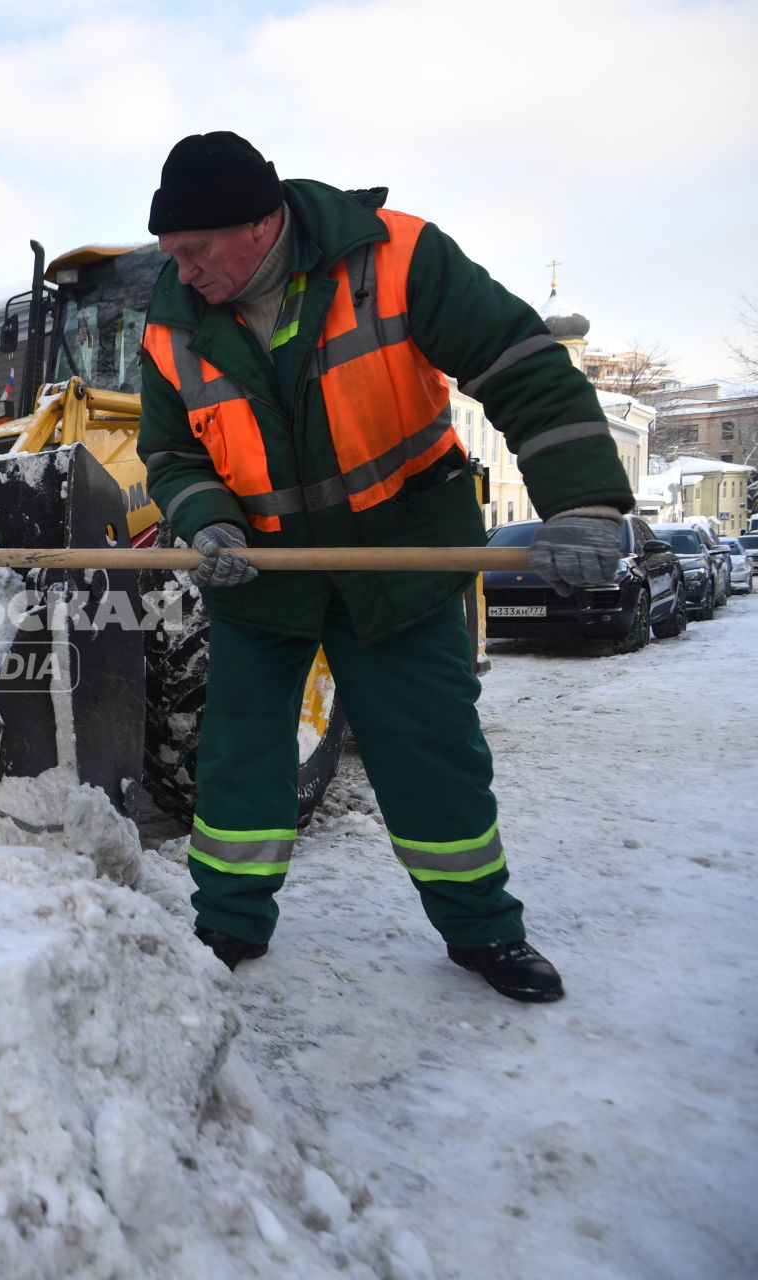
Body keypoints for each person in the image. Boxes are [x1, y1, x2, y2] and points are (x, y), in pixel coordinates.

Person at [137, 132, 631, 1003]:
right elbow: (172, 455)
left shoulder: (394, 260)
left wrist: (584, 502)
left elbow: (520, 366)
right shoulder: (174, 326)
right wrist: (207, 521)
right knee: (239, 755)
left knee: (428, 750)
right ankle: (227, 920)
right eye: (170, 255)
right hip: (263, 572)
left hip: (398, 557)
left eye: (194, 250)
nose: (181, 272)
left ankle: (483, 931)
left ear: (260, 224)